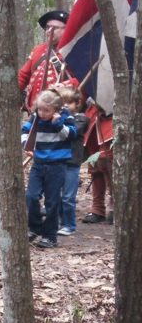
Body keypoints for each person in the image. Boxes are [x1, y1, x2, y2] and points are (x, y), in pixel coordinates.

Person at [22, 89, 78, 249]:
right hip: (38, 164)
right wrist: (27, 145)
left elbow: (72, 135)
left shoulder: (66, 117)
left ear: (56, 109)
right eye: (40, 109)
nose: (42, 113)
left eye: (46, 110)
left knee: (52, 202)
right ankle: (35, 227)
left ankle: (50, 235)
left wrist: (58, 123)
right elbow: (25, 131)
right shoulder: (35, 118)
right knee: (31, 196)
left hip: (57, 165)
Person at [19, 10, 79, 112]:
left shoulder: (75, 50)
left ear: (67, 29)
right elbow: (23, 76)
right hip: (35, 111)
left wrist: (66, 85)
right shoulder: (38, 50)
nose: (49, 31)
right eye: (47, 27)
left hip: (61, 113)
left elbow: (83, 80)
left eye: (54, 28)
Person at [56, 87, 88, 236]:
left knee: (68, 196)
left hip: (72, 162)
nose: (66, 106)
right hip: (58, 161)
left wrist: (63, 116)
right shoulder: (58, 118)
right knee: (55, 194)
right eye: (63, 103)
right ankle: (57, 222)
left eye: (69, 103)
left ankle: (69, 224)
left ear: (77, 104)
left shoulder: (81, 119)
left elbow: (72, 132)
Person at [81, 102, 115, 224]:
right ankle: (98, 208)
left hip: (115, 117)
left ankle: (115, 206)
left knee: (108, 162)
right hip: (93, 117)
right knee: (95, 163)